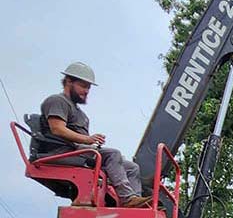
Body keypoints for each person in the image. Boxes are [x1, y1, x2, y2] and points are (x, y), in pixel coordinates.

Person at [40, 62, 151, 208]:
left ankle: (134, 203)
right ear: (68, 82)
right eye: (83, 86)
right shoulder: (57, 101)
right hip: (61, 152)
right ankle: (128, 199)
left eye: (88, 87)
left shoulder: (80, 113)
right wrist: (88, 139)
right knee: (112, 154)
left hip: (79, 151)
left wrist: (91, 144)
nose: (86, 91)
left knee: (131, 167)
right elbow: (57, 129)